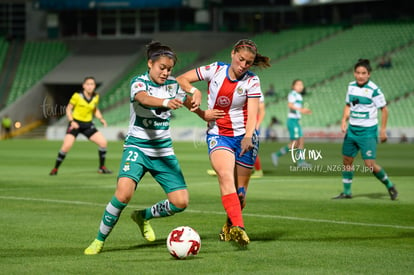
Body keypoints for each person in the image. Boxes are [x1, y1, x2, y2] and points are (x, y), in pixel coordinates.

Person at [84, 41, 202, 255]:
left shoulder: (174, 85)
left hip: (163, 151)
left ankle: (143, 216)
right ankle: (99, 240)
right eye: (162, 68)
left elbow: (187, 101)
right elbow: (143, 99)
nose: (166, 72)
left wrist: (204, 114)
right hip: (137, 147)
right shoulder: (139, 83)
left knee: (181, 202)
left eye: (169, 69)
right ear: (150, 63)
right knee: (123, 195)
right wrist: (166, 103)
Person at [177, 38, 271, 246]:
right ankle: (240, 227)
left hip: (246, 138)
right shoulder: (215, 69)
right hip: (219, 135)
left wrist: (248, 136)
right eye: (240, 60)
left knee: (241, 195)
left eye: (248, 62)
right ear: (232, 54)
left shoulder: (252, 81)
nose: (243, 66)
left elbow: (253, 112)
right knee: (225, 175)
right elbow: (181, 79)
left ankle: (229, 226)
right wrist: (195, 92)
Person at [333, 58, 398, 200]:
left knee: (369, 165)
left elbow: (385, 110)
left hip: (367, 131)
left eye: (364, 73)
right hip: (352, 130)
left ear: (369, 74)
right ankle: (347, 192)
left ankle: (389, 185)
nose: (360, 76)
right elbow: (348, 105)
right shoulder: (351, 86)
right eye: (357, 72)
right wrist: (344, 120)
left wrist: (383, 130)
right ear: (354, 73)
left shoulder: (374, 90)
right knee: (347, 161)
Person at [49, 76, 111, 175]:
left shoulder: (96, 96)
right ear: (83, 86)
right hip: (75, 124)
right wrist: (72, 121)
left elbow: (94, 109)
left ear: (95, 86)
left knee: (103, 142)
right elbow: (68, 109)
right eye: (88, 84)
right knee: (66, 146)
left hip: (87, 124)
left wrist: (101, 118)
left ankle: (102, 167)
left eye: (92, 84)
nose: (90, 86)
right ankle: (55, 168)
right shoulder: (77, 96)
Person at [271, 79, 312, 168]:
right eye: (298, 84)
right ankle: (277, 155)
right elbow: (290, 105)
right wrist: (302, 110)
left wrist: (302, 111)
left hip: (296, 121)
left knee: (300, 141)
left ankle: (301, 162)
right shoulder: (292, 94)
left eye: (301, 84)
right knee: (295, 142)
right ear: (293, 86)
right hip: (292, 121)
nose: (300, 86)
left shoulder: (299, 96)